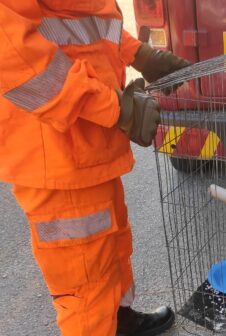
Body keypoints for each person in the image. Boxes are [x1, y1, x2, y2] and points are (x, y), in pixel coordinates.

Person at [0, 1, 190, 335]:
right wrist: (115, 108)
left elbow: (89, 27)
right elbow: (15, 58)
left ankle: (120, 321)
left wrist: (139, 54)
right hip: (57, 155)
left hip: (88, 147)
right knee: (86, 287)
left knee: (112, 251)